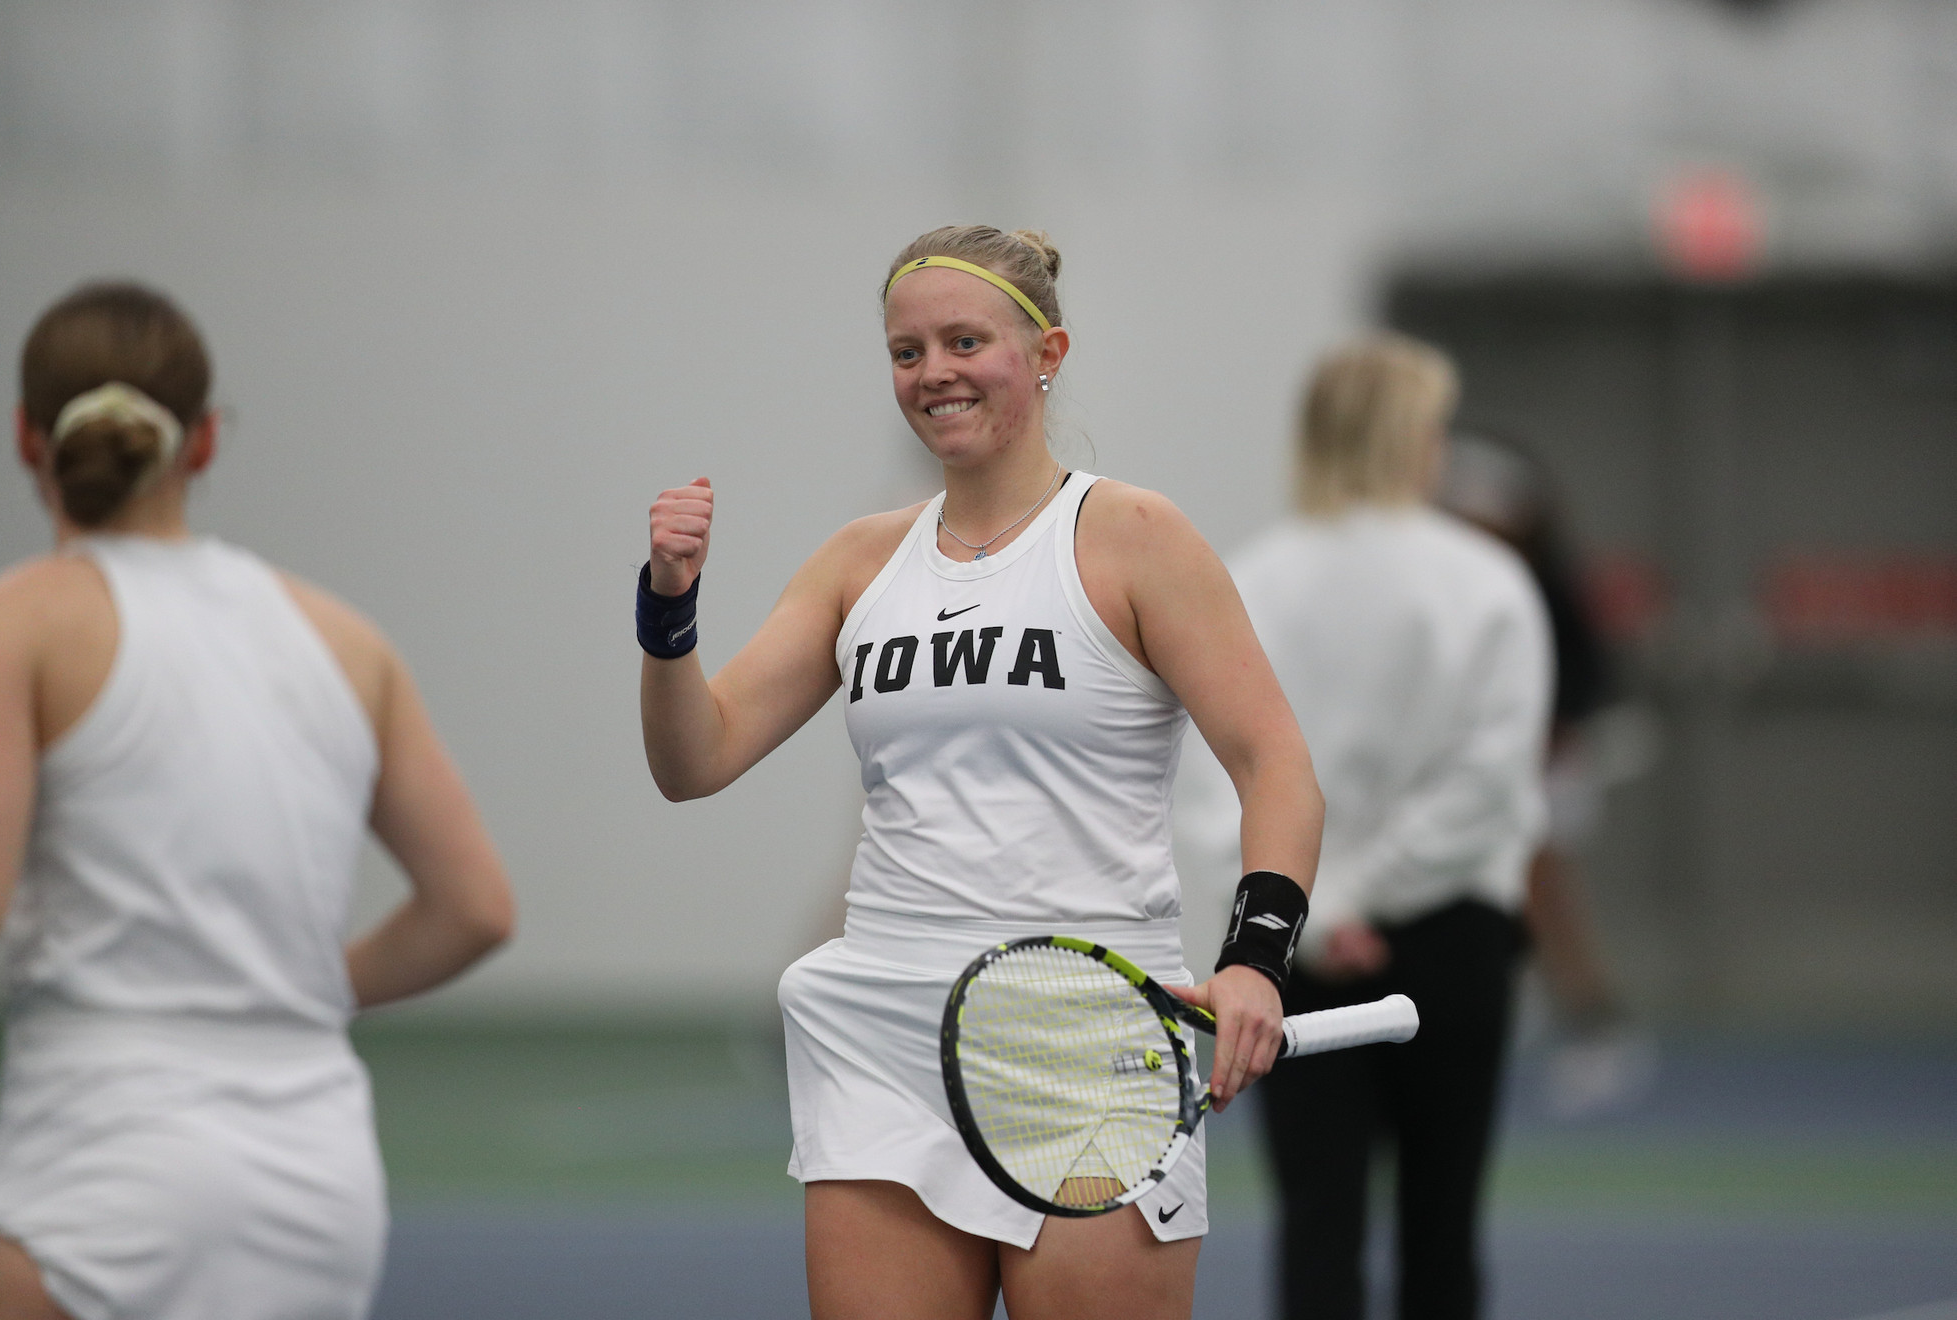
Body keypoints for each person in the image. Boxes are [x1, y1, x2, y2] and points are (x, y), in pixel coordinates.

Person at [639, 226, 1324, 1320]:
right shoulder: (860, 560)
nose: (934, 373)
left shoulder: (1133, 536)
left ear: (1047, 352)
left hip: (1087, 1033)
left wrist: (1258, 959)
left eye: (965, 342)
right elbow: (696, 759)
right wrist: (669, 609)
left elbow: (1274, 762)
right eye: (907, 352)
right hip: (884, 1033)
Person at [0, 282, 516, 1320]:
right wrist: (284, 987)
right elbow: (476, 908)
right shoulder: (344, 640)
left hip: (100, 1162)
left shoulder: (12, 624)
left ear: (24, 439)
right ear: (207, 441)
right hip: (320, 1186)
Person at [1185, 335, 1551, 1320]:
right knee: (1444, 1226)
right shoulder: (1487, 582)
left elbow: (1213, 785)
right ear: (1410, 436)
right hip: (1450, 941)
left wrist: (1322, 908)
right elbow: (1489, 780)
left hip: (1290, 948)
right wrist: (1366, 892)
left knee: (1316, 1227)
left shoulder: (1248, 579)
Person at [1437, 430, 1656, 1118]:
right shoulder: (1459, 588)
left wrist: (1542, 746)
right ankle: (1522, 1006)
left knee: (1545, 894)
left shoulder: (1548, 591)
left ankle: (1599, 1027)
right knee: (1493, 895)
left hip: (1543, 772)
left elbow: (1583, 684)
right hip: (1492, 772)